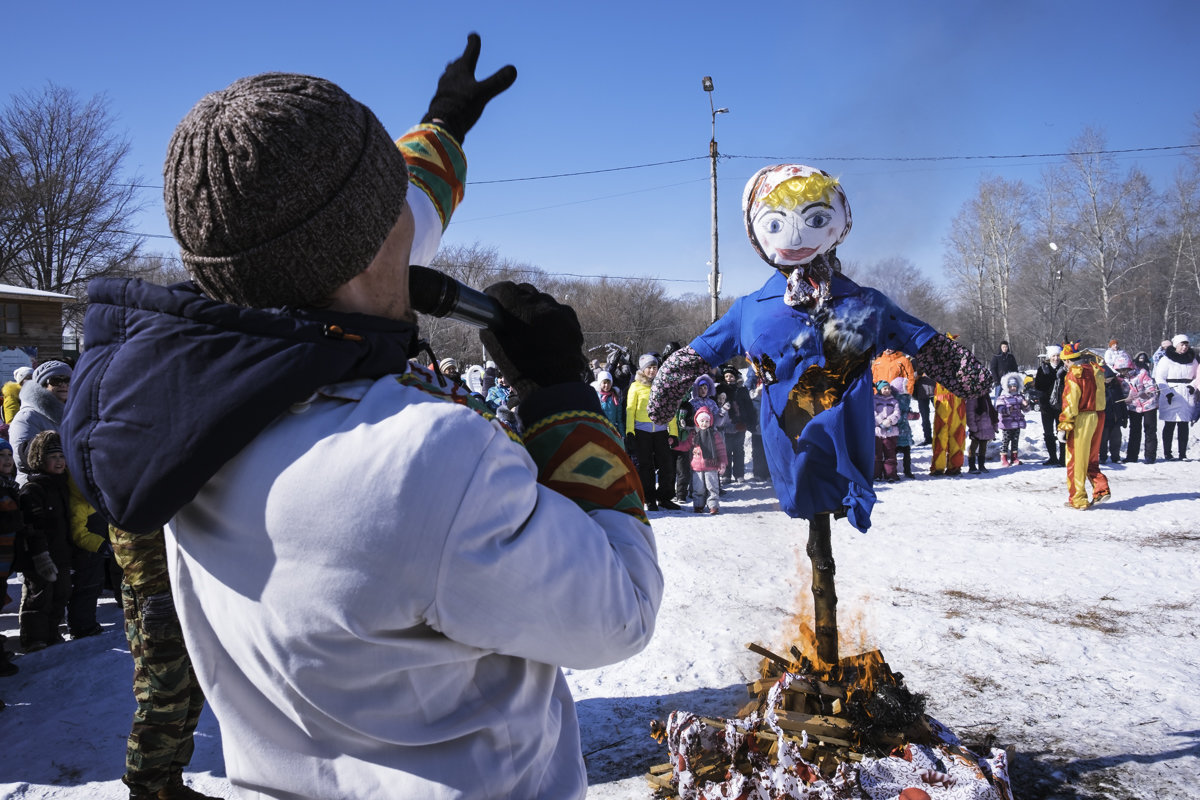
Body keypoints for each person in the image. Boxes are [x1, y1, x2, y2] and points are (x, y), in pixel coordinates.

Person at [62, 38, 662, 800]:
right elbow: (621, 609)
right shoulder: (424, 461)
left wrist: (444, 124)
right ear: (369, 250)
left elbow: (382, 211)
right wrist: (562, 398)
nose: (413, 226)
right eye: (394, 220)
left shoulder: (168, 417)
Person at [112, 525, 218, 800]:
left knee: (192, 692)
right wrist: (155, 593)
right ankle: (144, 792)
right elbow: (129, 520)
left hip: (190, 586)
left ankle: (168, 786)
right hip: (156, 593)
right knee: (164, 698)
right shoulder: (136, 479)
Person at [17, 430, 71, 650]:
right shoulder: (33, 489)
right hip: (40, 556)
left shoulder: (62, 485)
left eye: (61, 456)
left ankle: (52, 630)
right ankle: (33, 637)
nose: (59, 462)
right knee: (39, 596)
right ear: (40, 459)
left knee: (62, 592)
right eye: (53, 457)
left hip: (61, 551)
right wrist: (41, 556)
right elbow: (32, 527)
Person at [1056, 342, 1110, 508]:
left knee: (1076, 460)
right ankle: (1101, 489)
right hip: (1099, 416)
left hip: (1082, 418)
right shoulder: (1095, 370)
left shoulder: (1074, 374)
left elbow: (1070, 403)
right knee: (1091, 458)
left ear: (1068, 361)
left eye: (1065, 361)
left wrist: (1064, 425)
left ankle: (1078, 499)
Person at [626, 353, 680, 511]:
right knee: (646, 467)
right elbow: (630, 411)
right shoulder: (635, 386)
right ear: (642, 369)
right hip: (642, 431)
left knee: (667, 465)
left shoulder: (663, 384)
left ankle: (664, 497)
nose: (651, 370)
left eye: (654, 367)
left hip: (661, 430)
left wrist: (673, 433)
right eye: (648, 367)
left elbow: (670, 409)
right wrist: (630, 432)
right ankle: (649, 498)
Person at [9, 360, 72, 483]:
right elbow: (23, 458)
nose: (63, 385)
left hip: (68, 486)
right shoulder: (27, 416)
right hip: (38, 487)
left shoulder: (75, 413)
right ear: (43, 384)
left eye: (67, 380)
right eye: (56, 381)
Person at [1153, 334, 1198, 460]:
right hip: (1171, 393)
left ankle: (1182, 453)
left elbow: (1197, 376)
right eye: (1181, 345)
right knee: (1170, 424)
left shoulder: (1192, 359)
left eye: (1186, 345)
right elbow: (1160, 377)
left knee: (1183, 425)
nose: (1184, 347)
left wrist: (1193, 386)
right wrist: (1167, 392)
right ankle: (1168, 452)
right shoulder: (1166, 359)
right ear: (1176, 345)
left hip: (1187, 393)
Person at [0, 439, 23, 686]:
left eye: (9, 454)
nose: (7, 459)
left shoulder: (9, 486)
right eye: (1, 455)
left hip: (6, 560)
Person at [685, 406, 727, 514]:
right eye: (702, 421)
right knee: (698, 489)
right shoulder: (694, 434)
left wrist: (722, 463)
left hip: (711, 466)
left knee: (712, 488)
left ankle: (713, 506)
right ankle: (698, 505)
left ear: (710, 421)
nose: (704, 423)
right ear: (698, 421)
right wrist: (675, 444)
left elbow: (721, 449)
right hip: (697, 467)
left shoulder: (714, 434)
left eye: (707, 421)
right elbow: (686, 445)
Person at [1123, 351, 1159, 463]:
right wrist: (1126, 399)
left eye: (1124, 370)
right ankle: (1132, 456)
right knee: (1134, 430)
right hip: (1134, 407)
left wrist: (1147, 392)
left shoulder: (1142, 373)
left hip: (1149, 405)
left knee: (1149, 429)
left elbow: (1152, 386)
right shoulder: (1121, 379)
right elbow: (1123, 393)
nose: (1123, 373)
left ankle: (1150, 456)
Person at [1033, 345, 1066, 465]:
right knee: (1048, 433)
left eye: (1058, 356)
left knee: (1062, 432)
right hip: (1046, 406)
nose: (1056, 358)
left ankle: (1063, 458)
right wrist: (1049, 376)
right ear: (1049, 357)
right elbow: (1038, 387)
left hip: (1061, 406)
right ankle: (1053, 457)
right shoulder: (1042, 369)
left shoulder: (1065, 368)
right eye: (1053, 356)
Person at [1099, 353, 1129, 464]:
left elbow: (1122, 403)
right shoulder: (1099, 389)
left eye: (1111, 378)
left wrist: (1125, 417)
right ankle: (1102, 457)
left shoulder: (1116, 387)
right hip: (1104, 418)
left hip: (1116, 418)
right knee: (1103, 440)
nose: (1109, 380)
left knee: (1116, 439)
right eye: (1107, 379)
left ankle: (1115, 457)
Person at [995, 372, 1030, 466]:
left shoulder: (1020, 397)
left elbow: (1025, 410)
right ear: (1007, 386)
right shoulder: (1003, 397)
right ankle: (1004, 458)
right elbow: (999, 408)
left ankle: (1014, 457)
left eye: (1015, 385)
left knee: (1015, 440)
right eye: (1011, 386)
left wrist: (1026, 405)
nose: (1013, 388)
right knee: (1006, 440)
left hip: (1017, 423)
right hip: (1007, 424)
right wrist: (1007, 410)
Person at [872, 380, 901, 482]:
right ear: (879, 390)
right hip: (877, 432)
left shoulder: (894, 401)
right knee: (877, 455)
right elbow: (872, 413)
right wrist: (880, 422)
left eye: (888, 388)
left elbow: (897, 414)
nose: (887, 390)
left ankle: (890, 474)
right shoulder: (874, 400)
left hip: (890, 432)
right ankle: (876, 475)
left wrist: (890, 420)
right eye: (885, 388)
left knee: (890, 454)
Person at [964, 393, 997, 474]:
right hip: (977, 427)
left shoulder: (986, 397)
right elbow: (970, 413)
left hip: (987, 427)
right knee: (973, 447)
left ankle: (981, 465)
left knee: (983, 447)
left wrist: (994, 425)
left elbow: (991, 412)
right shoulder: (973, 397)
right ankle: (972, 466)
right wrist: (973, 427)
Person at [890, 377, 916, 478]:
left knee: (907, 451)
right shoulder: (893, 400)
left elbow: (906, 410)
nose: (906, 387)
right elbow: (896, 415)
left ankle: (907, 470)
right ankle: (892, 471)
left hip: (905, 430)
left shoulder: (906, 398)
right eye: (904, 386)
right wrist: (907, 416)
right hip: (896, 430)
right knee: (893, 452)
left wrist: (911, 414)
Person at [912, 371, 936, 445]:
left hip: (935, 392)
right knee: (925, 417)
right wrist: (917, 374)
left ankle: (940, 437)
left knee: (941, 416)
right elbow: (912, 376)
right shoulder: (914, 362)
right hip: (922, 393)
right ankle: (928, 438)